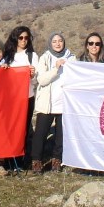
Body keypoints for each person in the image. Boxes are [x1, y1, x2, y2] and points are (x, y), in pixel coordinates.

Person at [31, 33, 73, 174]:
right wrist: (55, 69)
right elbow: (42, 80)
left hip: (64, 103)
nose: (57, 44)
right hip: (47, 103)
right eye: (54, 41)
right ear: (50, 43)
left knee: (61, 135)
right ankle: (36, 161)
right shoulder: (45, 57)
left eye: (60, 41)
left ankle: (57, 160)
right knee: (40, 134)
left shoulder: (71, 57)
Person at [3, 26, 39, 166]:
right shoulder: (7, 55)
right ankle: (7, 158)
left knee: (23, 128)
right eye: (21, 37)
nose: (24, 40)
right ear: (15, 38)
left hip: (27, 97)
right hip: (10, 98)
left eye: (26, 37)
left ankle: (20, 158)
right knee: (10, 128)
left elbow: (36, 81)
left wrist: (32, 75)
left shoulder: (32, 56)